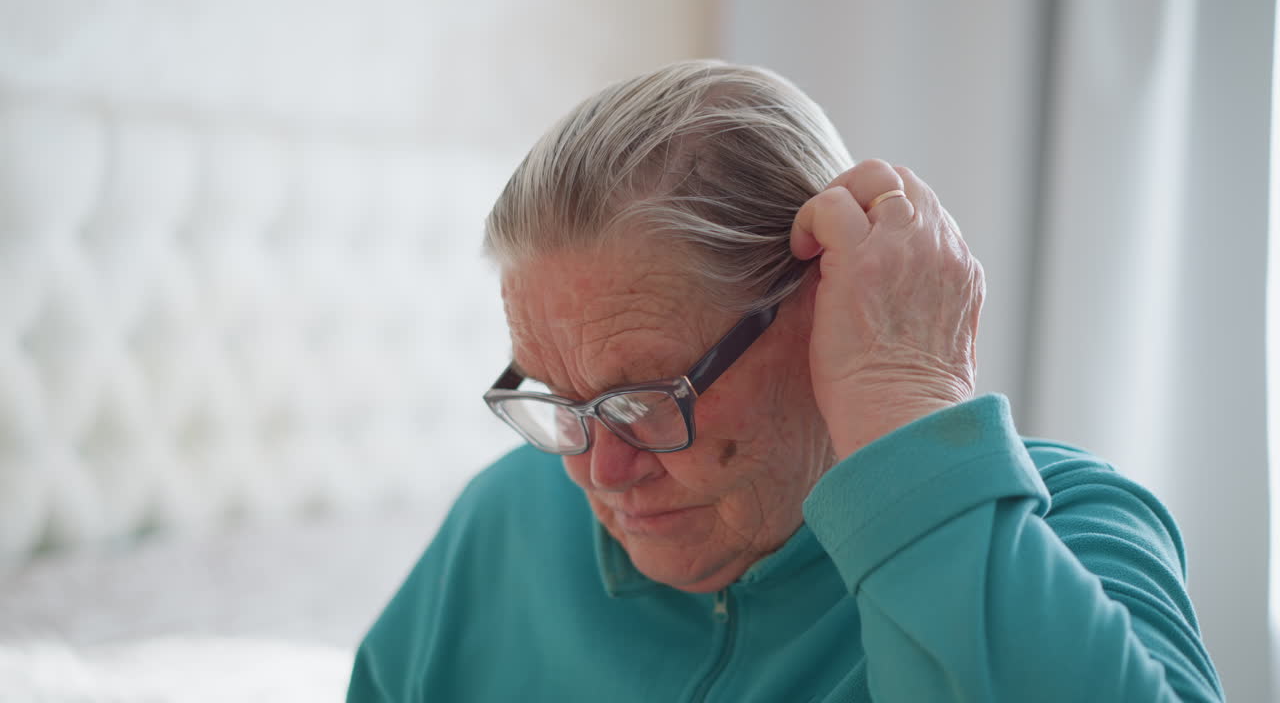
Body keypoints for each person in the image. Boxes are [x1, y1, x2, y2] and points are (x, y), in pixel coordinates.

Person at [347, 60, 1224, 702]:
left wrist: (904, 393)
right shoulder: (505, 519)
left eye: (646, 397)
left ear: (821, 305)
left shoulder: (1067, 525)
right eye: (560, 403)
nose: (599, 474)